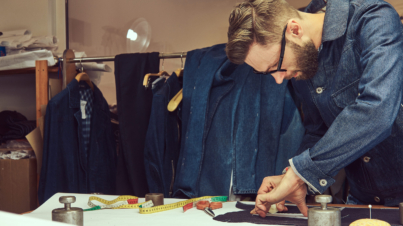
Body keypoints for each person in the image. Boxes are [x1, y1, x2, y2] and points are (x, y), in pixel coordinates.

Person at [226, 0, 403, 217]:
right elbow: (318, 129)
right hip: (361, 200)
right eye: (267, 72)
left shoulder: (372, 17)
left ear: (294, 30)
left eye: (275, 66)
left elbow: (377, 111)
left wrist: (301, 172)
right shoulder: (300, 60)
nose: (279, 80)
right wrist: (292, 177)